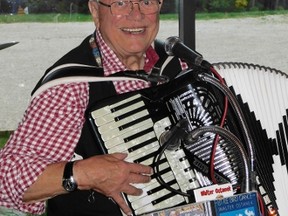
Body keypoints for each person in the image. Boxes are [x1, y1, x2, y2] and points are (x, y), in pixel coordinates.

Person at [0, 0, 187, 215]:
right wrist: (83, 174)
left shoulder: (179, 67)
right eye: (120, 3)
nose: (136, 15)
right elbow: (5, 181)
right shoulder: (71, 86)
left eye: (146, 2)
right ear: (95, 11)